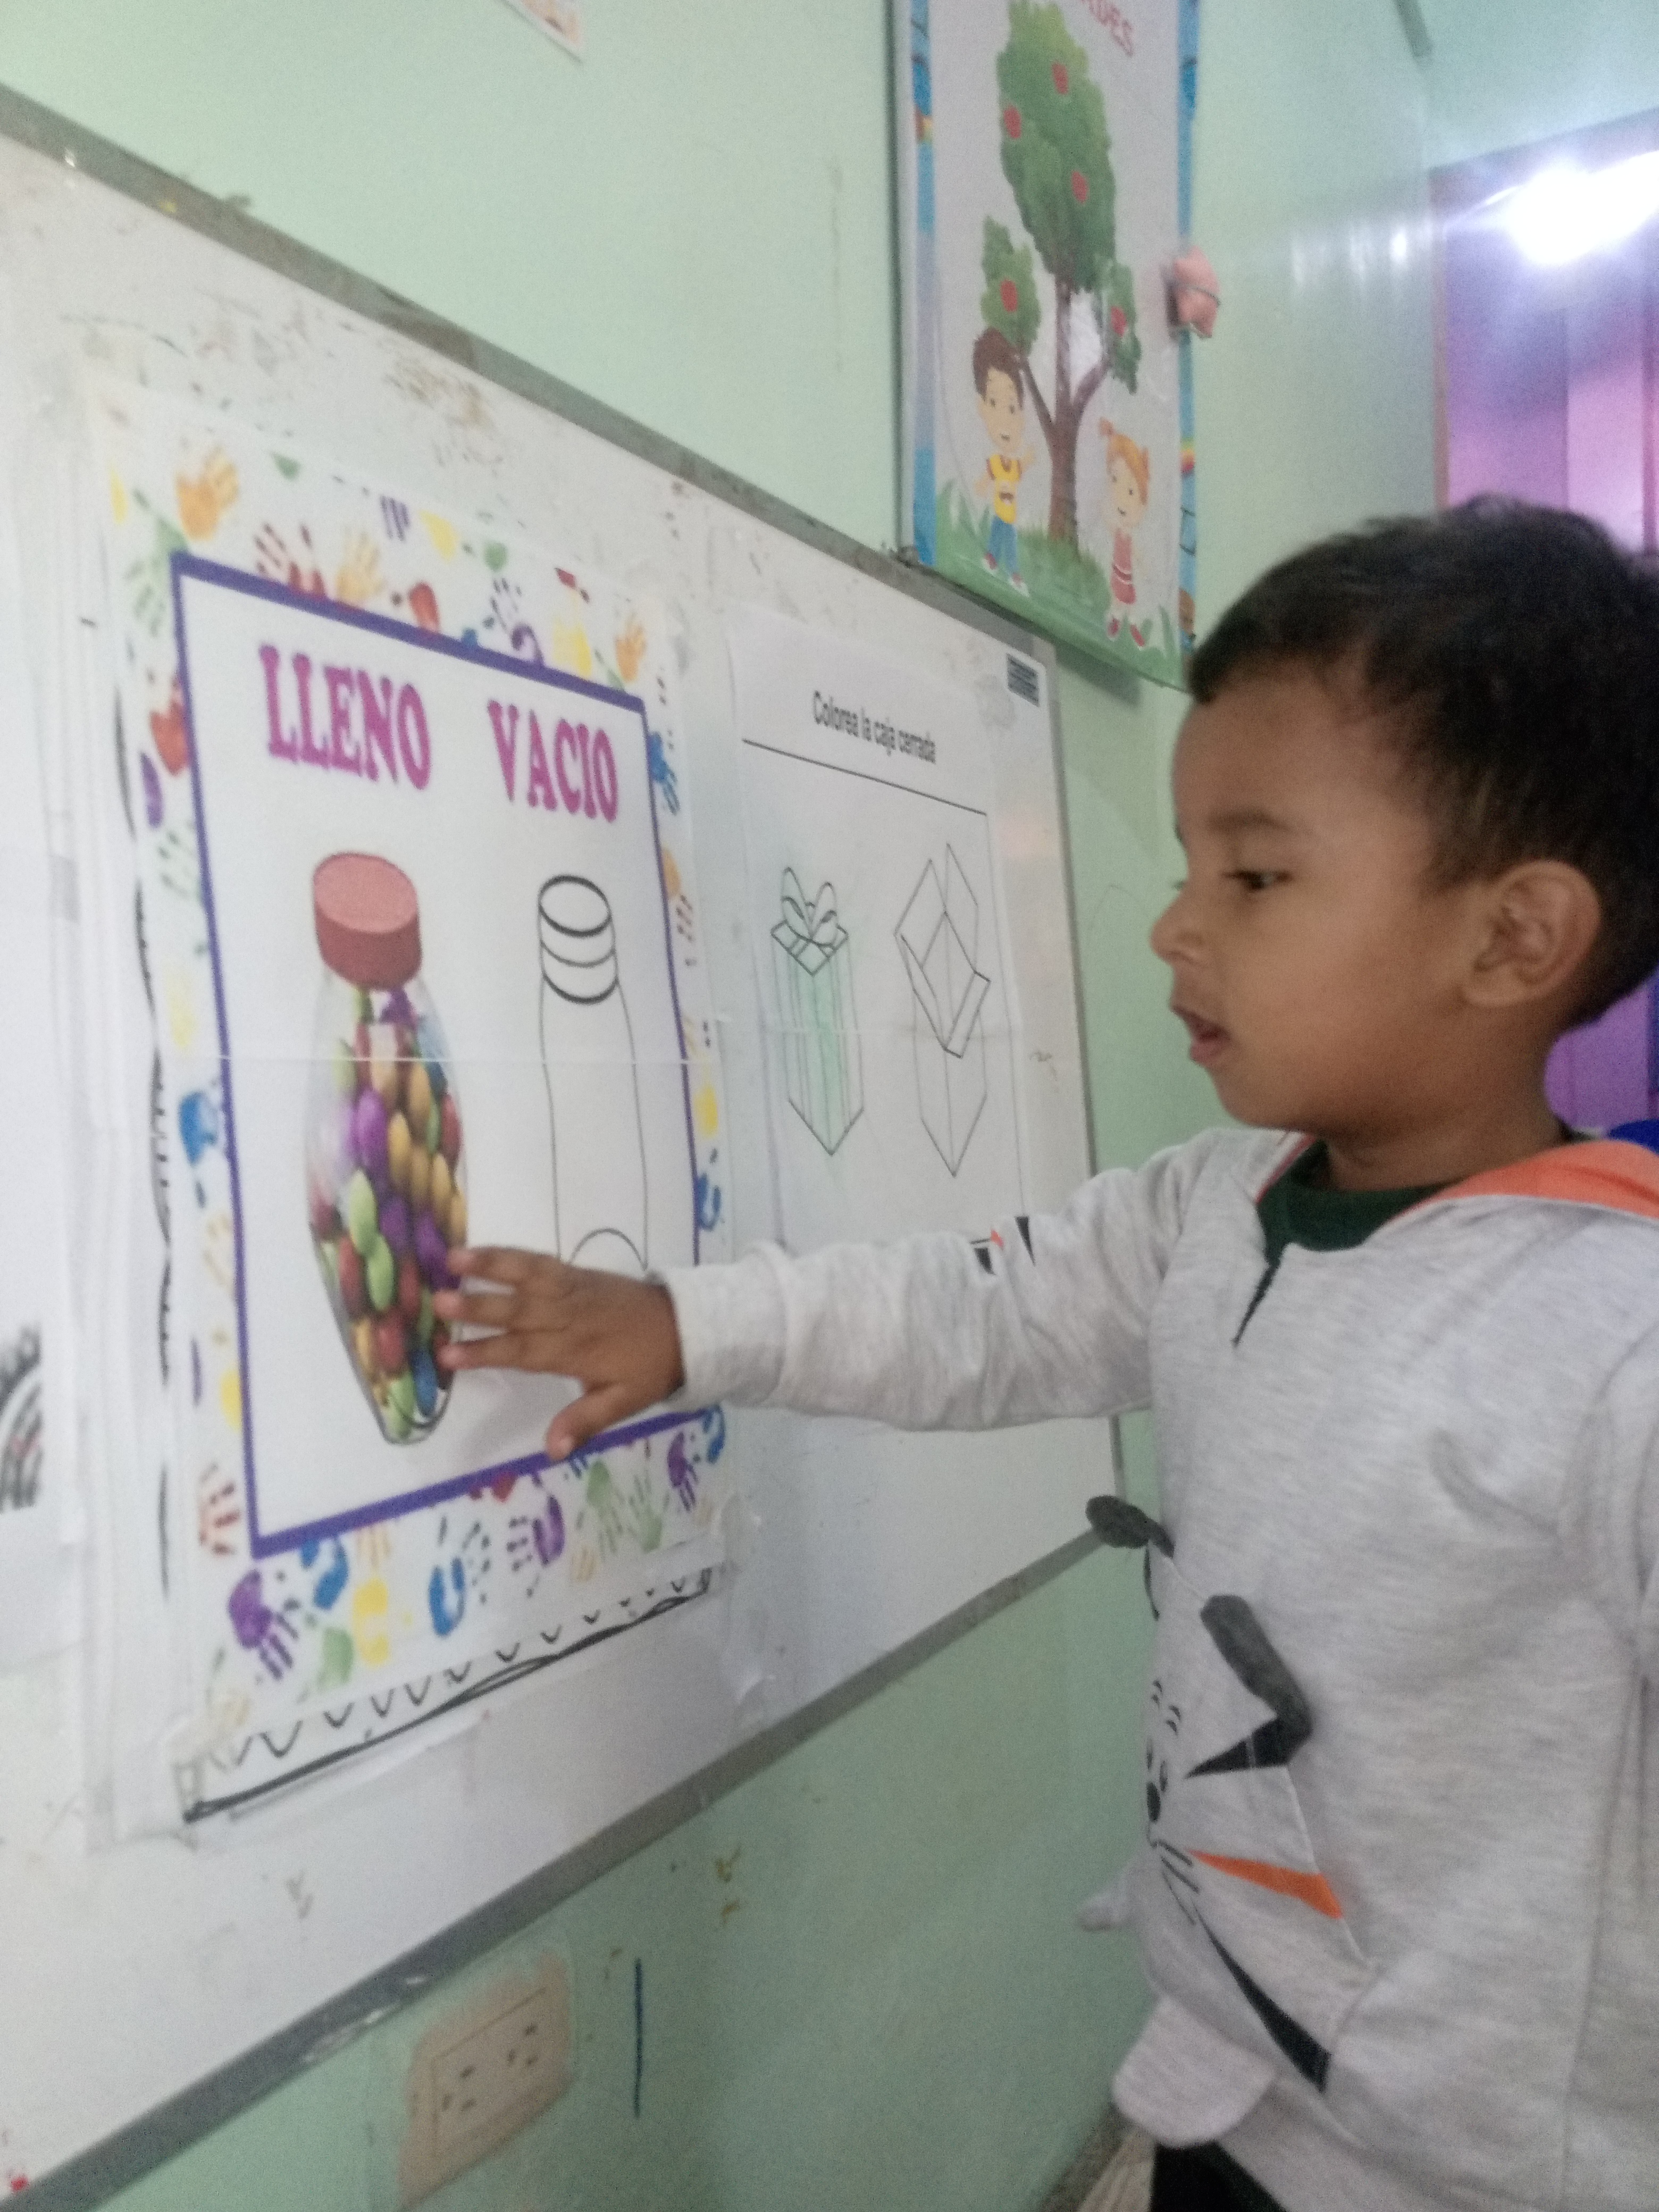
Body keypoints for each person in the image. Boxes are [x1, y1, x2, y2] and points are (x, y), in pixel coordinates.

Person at [435, 501, 1659, 2212]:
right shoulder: (1214, 1206)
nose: (1176, 928)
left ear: (1512, 938)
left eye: (1253, 875)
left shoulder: (1610, 1338)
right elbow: (973, 1309)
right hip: (1228, 2087)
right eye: (1186, 866)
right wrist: (690, 1323)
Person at [972, 325, 1034, 592]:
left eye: (1012, 407)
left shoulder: (1011, 465)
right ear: (982, 407)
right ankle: (1006, 568)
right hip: (1002, 513)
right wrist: (982, 484)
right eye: (994, 403)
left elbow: (1021, 467)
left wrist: (1030, 458)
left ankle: (1002, 565)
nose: (1005, 420)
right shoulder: (997, 463)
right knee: (1003, 537)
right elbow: (989, 475)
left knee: (1004, 537)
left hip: (1008, 514)